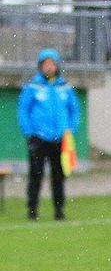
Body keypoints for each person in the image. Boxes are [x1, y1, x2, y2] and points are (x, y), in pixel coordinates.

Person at [17, 49, 80, 221]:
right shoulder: (33, 86)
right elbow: (23, 110)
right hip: (39, 138)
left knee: (58, 177)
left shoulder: (64, 87)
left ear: (57, 66)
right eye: (45, 64)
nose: (49, 67)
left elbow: (74, 110)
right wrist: (29, 132)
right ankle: (32, 210)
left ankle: (59, 211)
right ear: (40, 66)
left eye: (52, 64)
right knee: (35, 175)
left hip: (60, 138)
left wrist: (70, 129)